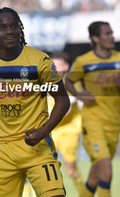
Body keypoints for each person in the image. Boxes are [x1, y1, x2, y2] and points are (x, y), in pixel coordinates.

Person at [0, 7, 70, 197]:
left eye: (14, 26)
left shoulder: (39, 62)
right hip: (3, 151)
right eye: (3, 28)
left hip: (37, 146)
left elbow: (62, 100)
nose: (10, 31)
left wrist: (43, 131)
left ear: (20, 28)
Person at [65, 21, 120, 197]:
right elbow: (68, 81)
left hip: (114, 124)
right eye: (107, 33)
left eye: (112, 32)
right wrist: (79, 95)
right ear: (95, 38)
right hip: (93, 123)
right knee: (106, 172)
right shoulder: (83, 61)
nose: (112, 36)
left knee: (95, 176)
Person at [49, 52, 84, 193]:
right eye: (52, 65)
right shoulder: (45, 82)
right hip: (51, 130)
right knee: (44, 167)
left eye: (58, 65)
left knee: (70, 169)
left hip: (69, 131)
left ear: (66, 66)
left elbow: (65, 110)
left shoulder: (73, 84)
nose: (54, 68)